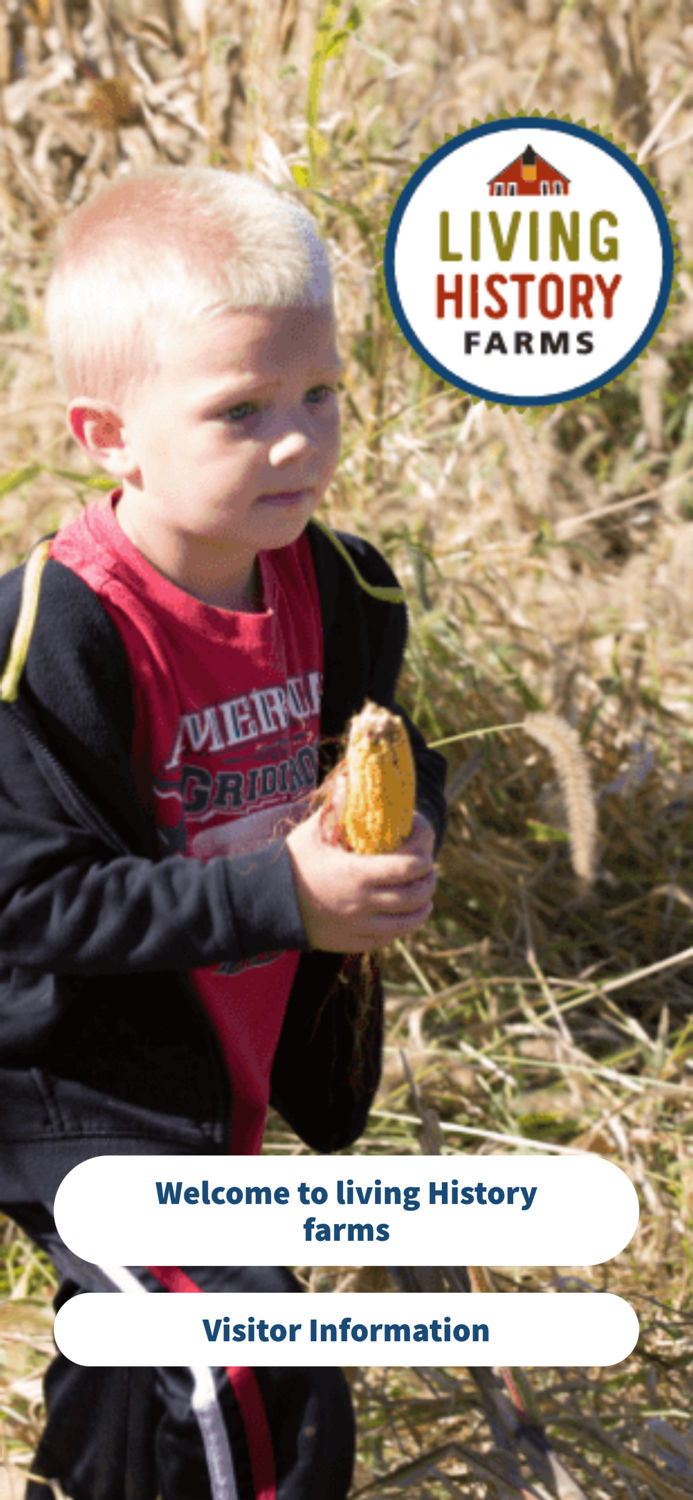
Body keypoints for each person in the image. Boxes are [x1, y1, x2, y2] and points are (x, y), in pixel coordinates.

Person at [0, 166, 448, 1500]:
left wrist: (413, 816)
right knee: (249, 1353)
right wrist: (278, 901)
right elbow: (27, 901)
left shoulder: (344, 586)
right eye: (241, 411)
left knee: (145, 1363)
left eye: (321, 396)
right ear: (110, 433)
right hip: (71, 1084)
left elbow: (388, 744)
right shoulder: (52, 641)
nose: (298, 441)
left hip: (218, 1062)